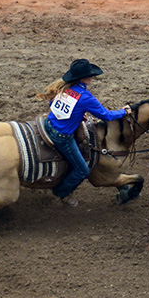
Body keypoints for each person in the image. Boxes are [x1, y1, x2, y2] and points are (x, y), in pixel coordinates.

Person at [44, 59, 129, 208]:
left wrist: (75, 114)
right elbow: (106, 115)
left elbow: (53, 105)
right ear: (84, 78)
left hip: (49, 124)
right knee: (82, 169)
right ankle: (62, 192)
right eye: (90, 75)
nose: (92, 77)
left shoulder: (64, 89)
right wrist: (124, 111)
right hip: (62, 136)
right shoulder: (85, 98)